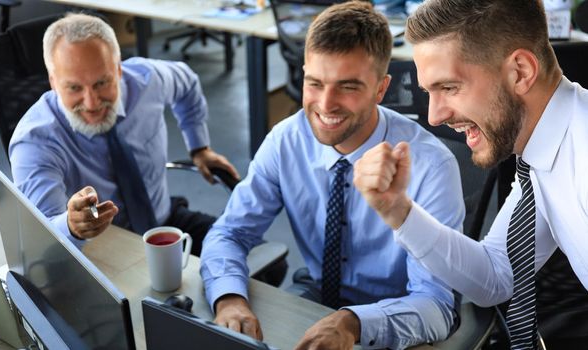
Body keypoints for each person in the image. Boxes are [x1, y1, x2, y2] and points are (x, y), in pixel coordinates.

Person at [201, 2, 465, 349]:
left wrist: (354, 322)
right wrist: (229, 298)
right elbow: (230, 233)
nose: (325, 104)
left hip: (402, 319)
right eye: (314, 83)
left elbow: (435, 302)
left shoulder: (432, 166)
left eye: (348, 86)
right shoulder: (286, 141)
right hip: (316, 300)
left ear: (381, 89)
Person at [353, 0, 588, 349]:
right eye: (428, 92)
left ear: (521, 71)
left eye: (449, 88)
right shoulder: (542, 153)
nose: (434, 116)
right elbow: (496, 277)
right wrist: (399, 212)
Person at [9, 13, 239, 255]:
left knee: (263, 260)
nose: (91, 103)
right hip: (98, 252)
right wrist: (72, 226)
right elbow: (47, 239)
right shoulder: (35, 141)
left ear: (118, 70)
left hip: (164, 221)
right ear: (53, 82)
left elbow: (188, 83)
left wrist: (199, 148)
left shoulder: (147, 80)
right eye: (74, 87)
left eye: (101, 83)